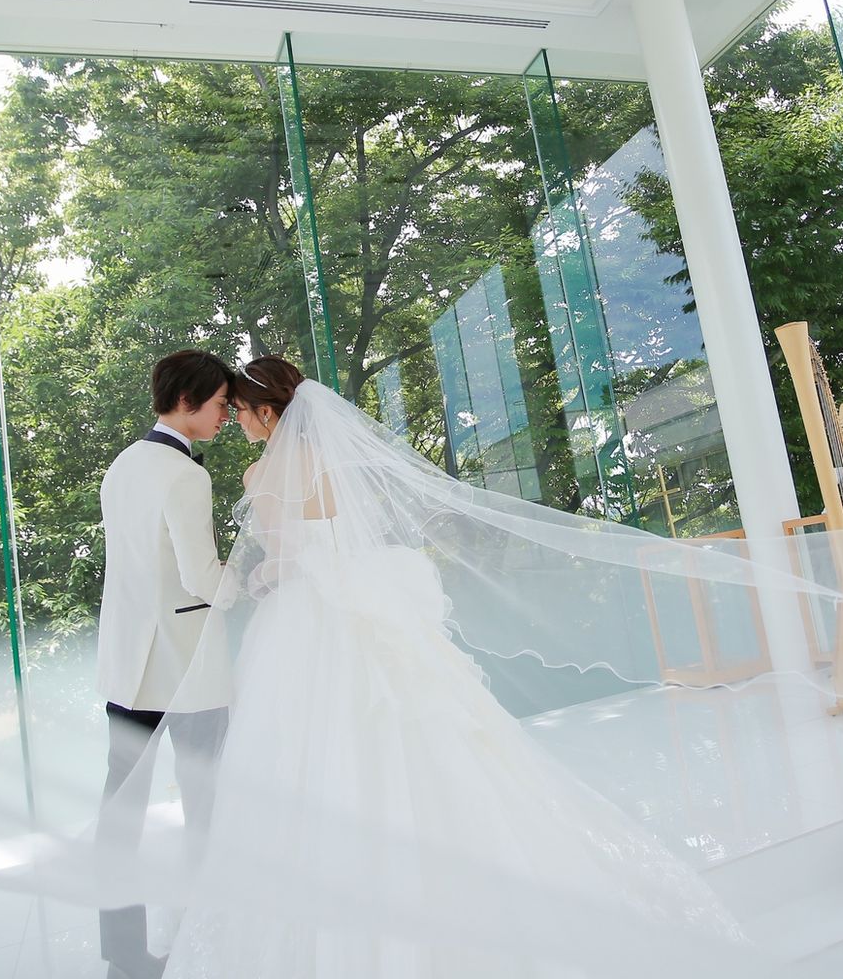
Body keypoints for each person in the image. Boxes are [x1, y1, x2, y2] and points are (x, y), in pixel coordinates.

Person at [157, 356, 776, 978]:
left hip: (304, 619)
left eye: (241, 411)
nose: (237, 421)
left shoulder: (262, 473)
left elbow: (287, 557)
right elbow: (351, 537)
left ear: (267, 413)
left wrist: (260, 576)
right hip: (365, 600)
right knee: (420, 735)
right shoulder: (338, 463)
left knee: (308, 755)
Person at [96, 349, 236, 979]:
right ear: (186, 401)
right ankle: (209, 936)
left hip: (127, 662)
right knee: (206, 803)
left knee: (119, 812)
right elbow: (201, 576)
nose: (225, 416)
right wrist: (255, 578)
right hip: (186, 663)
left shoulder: (123, 464)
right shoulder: (185, 475)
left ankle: (125, 955)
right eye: (219, 404)